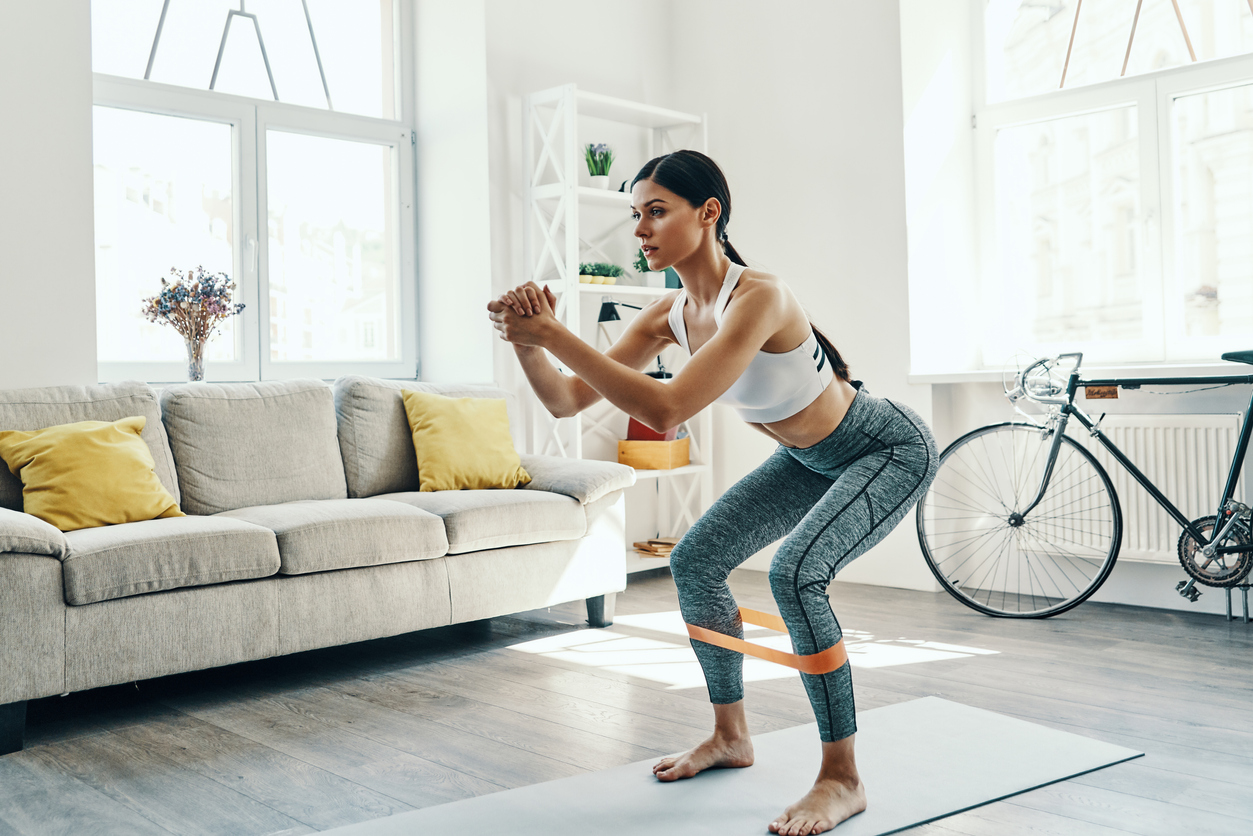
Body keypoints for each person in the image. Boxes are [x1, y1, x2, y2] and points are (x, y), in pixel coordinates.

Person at [486, 149, 939, 836]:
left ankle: (841, 779)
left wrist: (554, 331)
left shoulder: (760, 296)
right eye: (635, 214)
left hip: (885, 448)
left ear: (708, 214)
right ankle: (730, 737)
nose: (640, 228)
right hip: (805, 457)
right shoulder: (668, 312)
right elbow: (565, 400)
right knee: (694, 561)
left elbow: (667, 411)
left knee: (795, 575)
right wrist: (527, 342)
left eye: (656, 211)